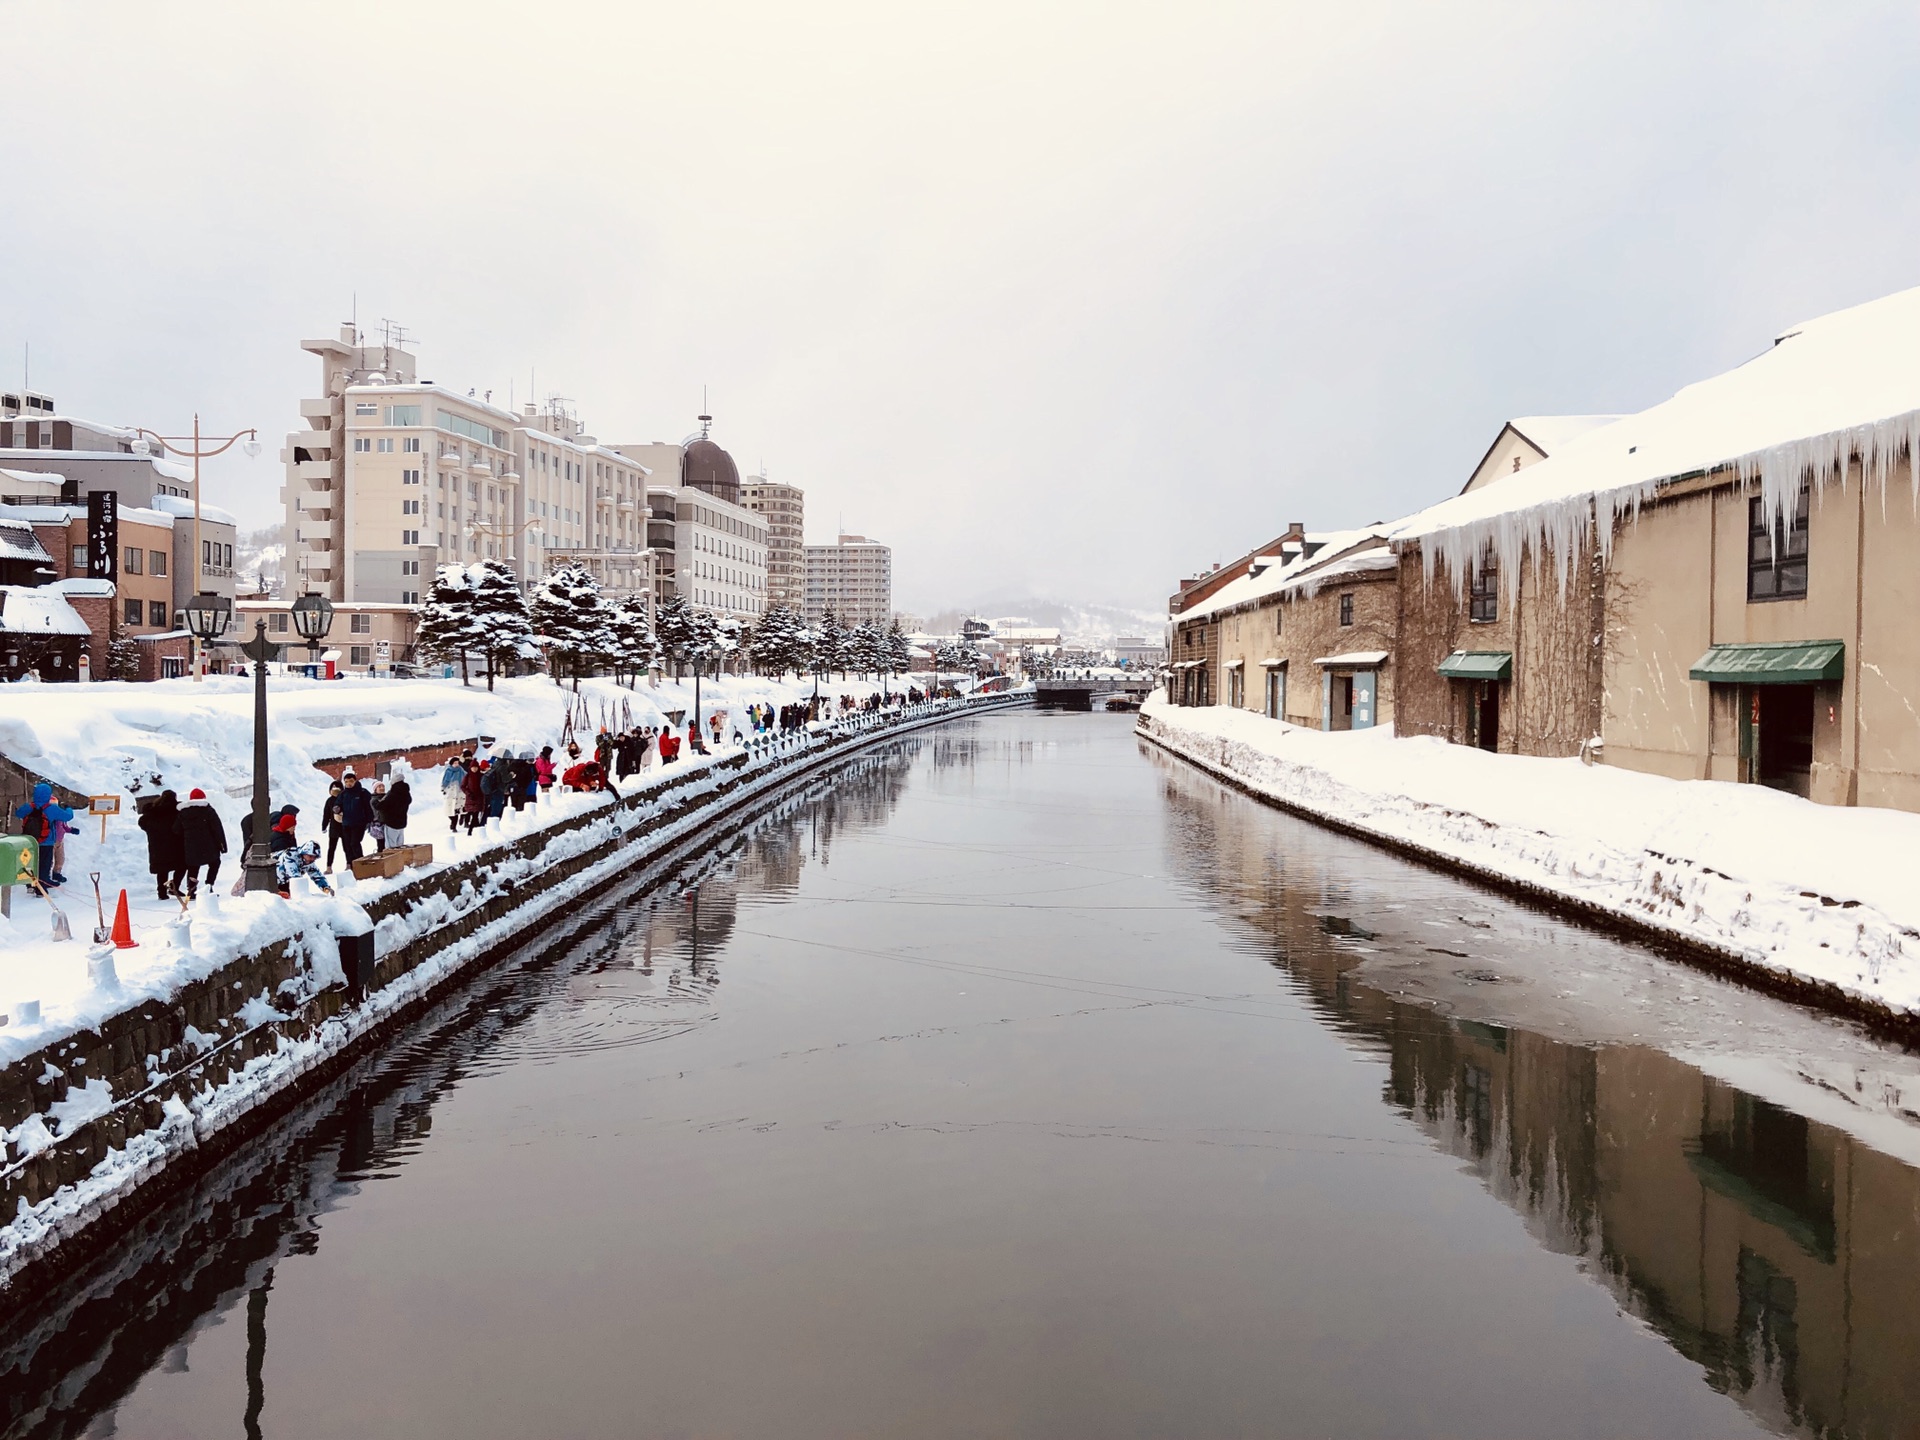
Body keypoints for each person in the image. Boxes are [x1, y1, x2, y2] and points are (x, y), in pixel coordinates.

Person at [13, 783, 73, 887]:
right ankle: (43, 885)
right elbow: (68, 816)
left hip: (31, 841)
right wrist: (68, 808)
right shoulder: (52, 808)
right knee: (45, 864)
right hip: (47, 841)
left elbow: (18, 813)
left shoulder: (29, 807)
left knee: (33, 863)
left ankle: (31, 884)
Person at [174, 787, 228, 899]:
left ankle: (191, 890)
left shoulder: (183, 812)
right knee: (214, 863)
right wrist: (222, 845)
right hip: (209, 845)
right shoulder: (208, 810)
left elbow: (176, 829)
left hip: (190, 846)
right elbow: (217, 828)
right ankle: (209, 886)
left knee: (193, 867)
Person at [138, 789, 186, 900]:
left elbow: (142, 822)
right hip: (175, 844)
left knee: (162, 870)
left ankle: (162, 892)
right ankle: (174, 886)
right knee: (182, 865)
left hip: (157, 845)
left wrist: (152, 832)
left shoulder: (152, 811)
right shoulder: (176, 811)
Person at [337, 770, 374, 862]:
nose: (348, 784)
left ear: (355, 781)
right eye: (346, 782)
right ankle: (351, 864)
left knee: (355, 843)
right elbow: (338, 804)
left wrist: (369, 820)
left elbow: (369, 806)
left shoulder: (362, 792)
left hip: (359, 823)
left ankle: (360, 862)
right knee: (348, 845)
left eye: (351, 781)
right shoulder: (343, 794)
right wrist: (337, 808)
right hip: (346, 823)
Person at [380, 773, 412, 848]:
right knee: (399, 844)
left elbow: (382, 806)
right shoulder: (406, 793)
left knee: (391, 846)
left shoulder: (393, 793)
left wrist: (376, 803)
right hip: (402, 822)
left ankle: (393, 859)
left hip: (391, 823)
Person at [321, 780, 346, 872]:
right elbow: (326, 814)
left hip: (344, 826)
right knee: (331, 848)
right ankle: (329, 866)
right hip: (334, 827)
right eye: (333, 788)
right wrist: (324, 826)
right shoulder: (329, 801)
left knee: (346, 846)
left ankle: (349, 864)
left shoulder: (344, 799)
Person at [441, 753, 465, 833]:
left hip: (459, 792)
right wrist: (443, 788)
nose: (456, 765)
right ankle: (453, 822)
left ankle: (454, 826)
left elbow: (465, 777)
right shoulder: (448, 771)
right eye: (455, 763)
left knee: (457, 810)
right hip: (450, 792)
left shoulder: (461, 770)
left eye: (457, 763)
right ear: (451, 764)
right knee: (449, 810)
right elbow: (445, 780)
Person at [460, 759, 486, 833]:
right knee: (474, 815)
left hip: (480, 798)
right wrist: (468, 793)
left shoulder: (481, 776)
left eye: (476, 767)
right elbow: (463, 786)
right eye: (473, 767)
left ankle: (474, 831)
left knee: (476, 815)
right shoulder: (468, 776)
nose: (474, 769)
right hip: (471, 798)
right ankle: (472, 831)